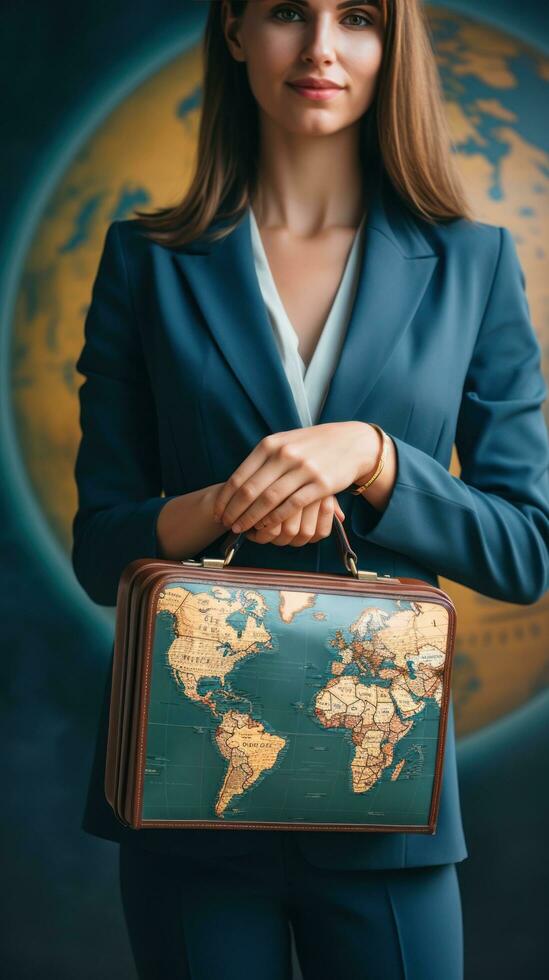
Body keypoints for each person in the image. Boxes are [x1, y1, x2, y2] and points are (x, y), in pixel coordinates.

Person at [71, 1, 549, 978]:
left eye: (359, 17)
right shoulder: (146, 263)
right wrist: (230, 499)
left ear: (391, 41)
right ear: (238, 28)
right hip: (191, 788)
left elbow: (527, 547)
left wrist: (374, 457)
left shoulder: (475, 262)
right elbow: (96, 550)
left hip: (387, 796)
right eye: (290, 11)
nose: (322, 47)